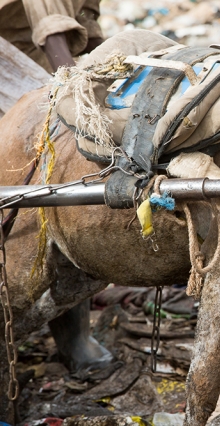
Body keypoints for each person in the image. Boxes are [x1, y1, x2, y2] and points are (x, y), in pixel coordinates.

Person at [0, 0, 113, 378]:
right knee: (30, 210)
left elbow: (89, 36)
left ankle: (73, 339)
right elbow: (53, 33)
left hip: (32, 78)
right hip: (15, 77)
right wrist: (77, 95)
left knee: (62, 201)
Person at [0, 0, 104, 72]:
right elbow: (51, 30)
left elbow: (84, 21)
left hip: (40, 57)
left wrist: (113, 57)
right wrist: (71, 84)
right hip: (8, 58)